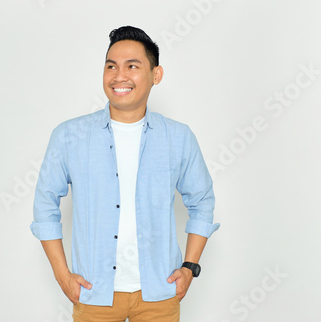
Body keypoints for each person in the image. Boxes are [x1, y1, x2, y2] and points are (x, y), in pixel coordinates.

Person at [30, 25, 220, 322]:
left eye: (132, 66)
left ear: (156, 75)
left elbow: (202, 202)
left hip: (160, 294)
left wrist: (189, 268)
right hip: (94, 294)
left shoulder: (178, 137)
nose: (119, 76)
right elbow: (44, 207)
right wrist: (62, 275)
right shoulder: (69, 136)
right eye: (111, 66)